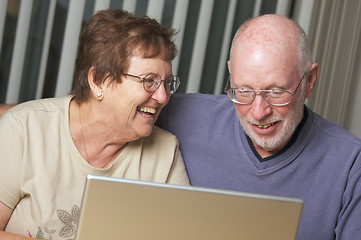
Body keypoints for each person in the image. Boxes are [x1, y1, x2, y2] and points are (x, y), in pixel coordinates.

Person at [157, 15, 361, 239]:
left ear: (310, 81)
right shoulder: (174, 114)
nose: (258, 112)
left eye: (276, 92)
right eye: (243, 90)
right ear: (231, 74)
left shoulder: (351, 165)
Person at [0, 9, 189, 240]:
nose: (163, 96)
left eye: (168, 83)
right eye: (150, 81)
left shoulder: (165, 153)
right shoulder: (24, 129)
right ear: (98, 80)